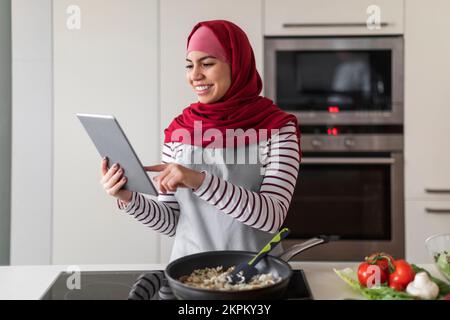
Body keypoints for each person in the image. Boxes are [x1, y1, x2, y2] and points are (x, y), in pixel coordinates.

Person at [100, 20, 301, 265]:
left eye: (207, 63)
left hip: (255, 276)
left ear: (236, 65)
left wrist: (198, 180)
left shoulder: (278, 128)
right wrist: (129, 198)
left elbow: (271, 217)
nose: (195, 75)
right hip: (191, 275)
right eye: (189, 65)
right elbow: (173, 222)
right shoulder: (178, 130)